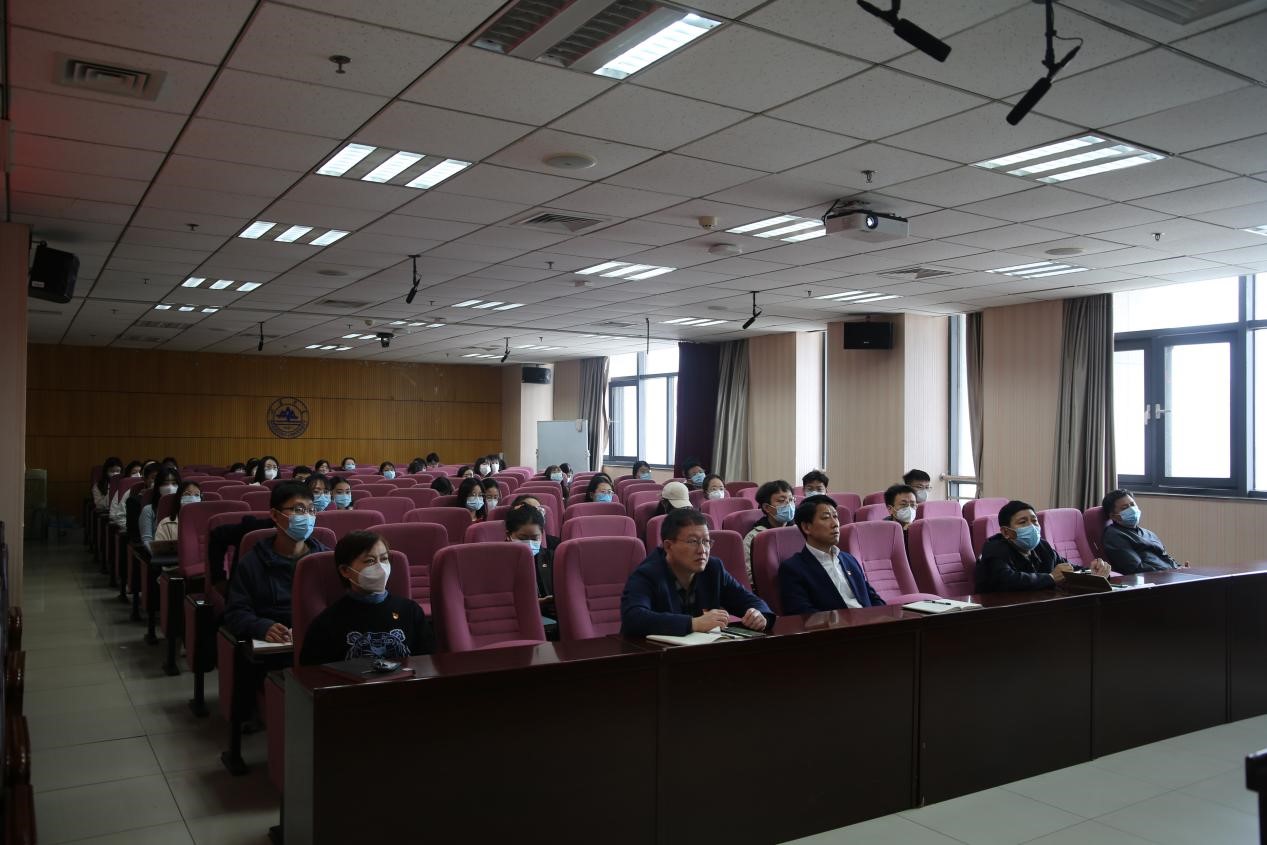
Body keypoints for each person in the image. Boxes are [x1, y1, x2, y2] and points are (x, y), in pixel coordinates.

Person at [620, 508, 773, 637]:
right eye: (693, 542)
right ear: (668, 546)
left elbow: (750, 601)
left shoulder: (713, 568)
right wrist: (693, 623)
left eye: (706, 541)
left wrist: (759, 615)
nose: (702, 550)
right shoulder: (647, 574)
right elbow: (633, 618)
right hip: (655, 655)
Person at [298, 531, 432, 666]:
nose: (381, 568)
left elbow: (427, 663)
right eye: (370, 561)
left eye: (384, 559)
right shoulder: (328, 622)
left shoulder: (410, 611)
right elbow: (312, 673)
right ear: (345, 570)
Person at [224, 481, 330, 643]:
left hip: (319, 640)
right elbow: (235, 612)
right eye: (298, 510)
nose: (307, 516)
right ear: (274, 515)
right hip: (275, 644)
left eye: (311, 510)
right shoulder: (252, 562)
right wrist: (261, 627)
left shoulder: (326, 558)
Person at [976, 500, 1111, 592]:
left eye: (1034, 521)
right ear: (1006, 532)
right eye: (1022, 522)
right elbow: (1008, 580)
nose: (1032, 527)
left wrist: (1092, 573)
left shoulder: (1042, 546)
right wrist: (1050, 578)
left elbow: (1068, 569)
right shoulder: (994, 549)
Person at [779, 495, 884, 614]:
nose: (835, 524)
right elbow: (802, 613)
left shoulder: (849, 559)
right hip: (835, 624)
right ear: (807, 527)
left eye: (835, 517)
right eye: (826, 518)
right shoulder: (793, 568)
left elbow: (872, 597)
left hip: (869, 621)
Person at [1101, 489, 1187, 573]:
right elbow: (1136, 568)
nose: (1132, 509)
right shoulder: (1115, 536)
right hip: (1151, 579)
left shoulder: (1148, 533)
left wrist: (1179, 568)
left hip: (1170, 575)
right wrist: (1168, 573)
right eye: (1125, 508)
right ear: (1113, 516)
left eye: (1133, 505)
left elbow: (1166, 557)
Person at [504, 506, 556, 624]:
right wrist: (535, 603)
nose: (529, 543)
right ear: (508, 535)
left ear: (541, 534)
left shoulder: (552, 557)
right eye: (522, 538)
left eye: (534, 538)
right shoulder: (499, 562)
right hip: (515, 619)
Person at [743, 480, 796, 581]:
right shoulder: (754, 537)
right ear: (767, 507)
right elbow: (749, 575)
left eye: (791, 500)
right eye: (781, 501)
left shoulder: (798, 531)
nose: (788, 505)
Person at [150, 480, 202, 556]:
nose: (192, 498)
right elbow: (160, 555)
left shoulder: (206, 523)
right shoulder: (165, 524)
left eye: (197, 495)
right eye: (187, 494)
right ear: (179, 498)